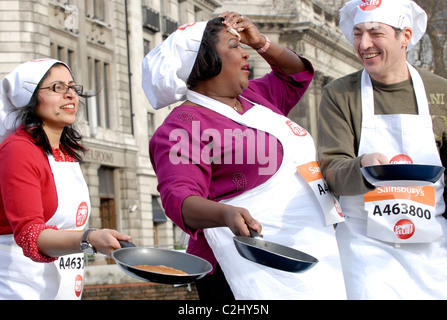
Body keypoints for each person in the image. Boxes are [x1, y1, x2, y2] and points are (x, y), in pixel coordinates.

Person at [143, 12, 346, 300]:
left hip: (309, 245)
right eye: (234, 46)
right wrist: (224, 213)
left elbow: (296, 74)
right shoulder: (181, 126)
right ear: (206, 60)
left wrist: (261, 42)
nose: (245, 54)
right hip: (241, 266)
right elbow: (179, 198)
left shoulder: (255, 96)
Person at [317, 0, 447, 299]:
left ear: (406, 36)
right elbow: (331, 171)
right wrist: (363, 165)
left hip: (433, 248)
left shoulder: (440, 92)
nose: (364, 44)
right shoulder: (339, 94)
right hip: (366, 246)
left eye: (375, 33)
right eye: (358, 33)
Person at [0, 58, 131, 300]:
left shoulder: (64, 152)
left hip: (60, 286)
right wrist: (90, 238)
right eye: (57, 88)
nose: (71, 95)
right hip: (18, 285)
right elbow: (31, 235)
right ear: (30, 97)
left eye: (72, 87)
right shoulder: (18, 149)